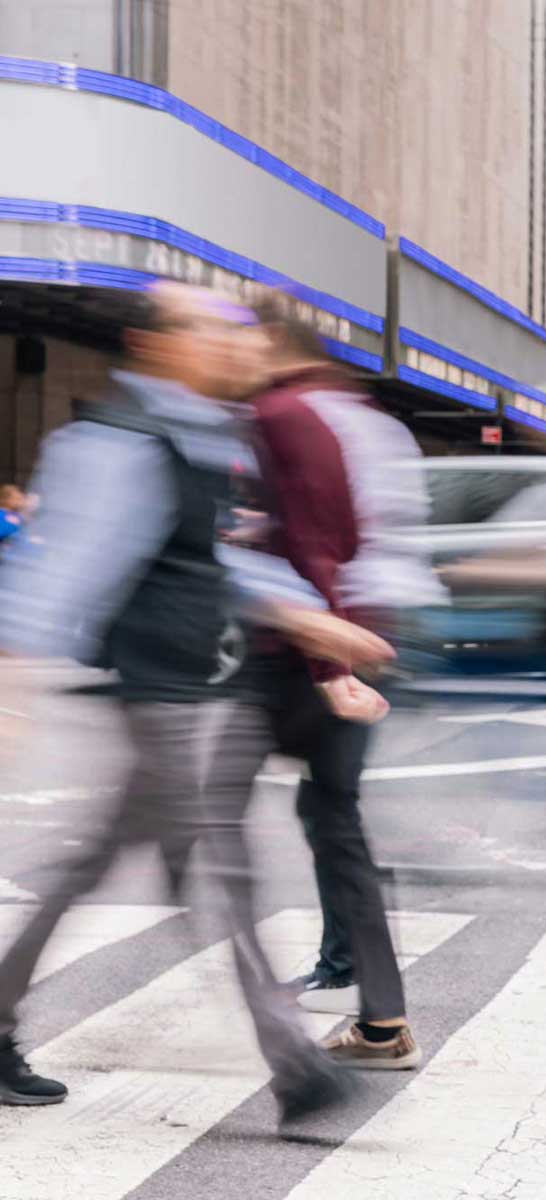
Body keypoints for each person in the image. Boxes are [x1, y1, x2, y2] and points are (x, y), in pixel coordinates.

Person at [0, 281, 392, 1118]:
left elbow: (217, 566)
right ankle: (296, 1068)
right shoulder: (116, 442)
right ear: (157, 343)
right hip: (169, 696)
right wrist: (11, 687)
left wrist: (317, 629)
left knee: (92, 865)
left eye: (239, 331)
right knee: (220, 868)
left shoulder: (206, 436)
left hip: (207, 687)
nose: (236, 345)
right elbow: (59, 568)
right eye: (214, 330)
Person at [207, 297, 446, 1066]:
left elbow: (318, 542)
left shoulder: (282, 412)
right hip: (372, 626)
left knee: (207, 817)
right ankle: (378, 1011)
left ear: (272, 342)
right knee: (330, 815)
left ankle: (292, 1011)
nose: (228, 353)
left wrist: (327, 665)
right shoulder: (367, 416)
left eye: (236, 338)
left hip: (306, 646)